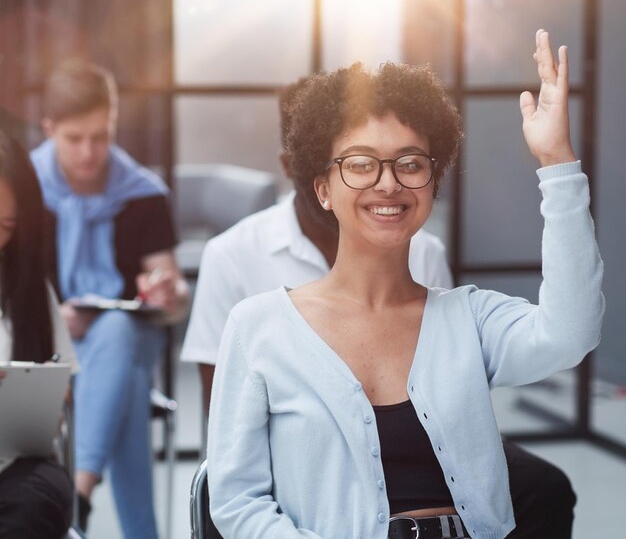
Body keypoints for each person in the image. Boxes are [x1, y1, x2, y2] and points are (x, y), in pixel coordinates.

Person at [206, 30, 604, 539]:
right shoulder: (258, 327)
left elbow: (572, 332)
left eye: (410, 163)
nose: (388, 182)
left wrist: (557, 163)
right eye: (360, 164)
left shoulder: (469, 318)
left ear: (432, 184)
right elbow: (238, 502)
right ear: (323, 189)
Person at [30, 60, 190, 539]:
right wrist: (52, 320)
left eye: (101, 137)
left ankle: (77, 493)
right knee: (129, 388)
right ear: (49, 130)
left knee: (118, 331)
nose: (89, 153)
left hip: (131, 340)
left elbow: (175, 300)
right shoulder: (23, 190)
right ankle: (131, 528)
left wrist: (168, 291)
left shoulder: (141, 193)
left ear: (114, 124)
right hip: (48, 349)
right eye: (75, 139)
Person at [0, 128, 79, 539]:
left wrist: (38, 394)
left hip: (13, 469)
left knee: (39, 499)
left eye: (6, 226)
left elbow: (57, 392)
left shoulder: (29, 290)